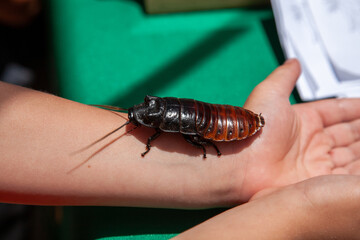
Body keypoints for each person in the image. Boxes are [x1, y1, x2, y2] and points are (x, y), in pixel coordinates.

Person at [1, 59, 360, 238]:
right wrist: (300, 215)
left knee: (198, 135)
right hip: (209, 119)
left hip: (223, 121)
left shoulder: (160, 128)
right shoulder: (159, 124)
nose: (141, 118)